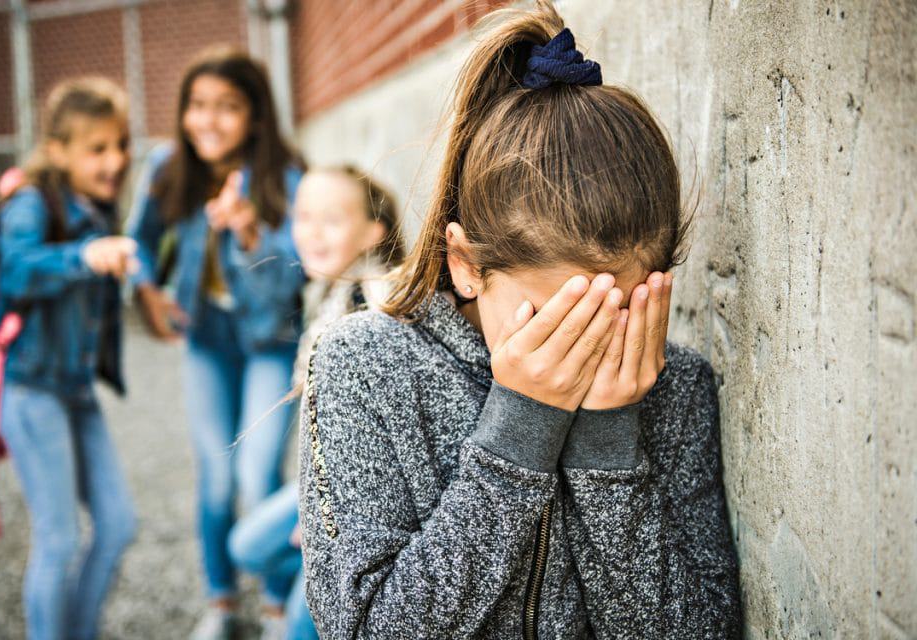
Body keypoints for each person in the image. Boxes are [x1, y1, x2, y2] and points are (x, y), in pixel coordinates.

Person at [298, 3, 742, 638]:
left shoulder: (675, 386)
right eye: (556, 320)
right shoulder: (363, 366)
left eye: (612, 315)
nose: (584, 351)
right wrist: (521, 429)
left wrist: (609, 443)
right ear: (466, 264)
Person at [125, 45, 305, 640]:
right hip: (206, 339)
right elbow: (139, 242)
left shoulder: (287, 178)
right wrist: (146, 290)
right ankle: (222, 601)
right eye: (197, 105)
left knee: (257, 475)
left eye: (227, 107)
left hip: (269, 342)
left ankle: (280, 598)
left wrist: (250, 231)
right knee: (218, 476)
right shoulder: (167, 166)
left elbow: (290, 286)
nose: (208, 120)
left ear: (255, 116)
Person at [228, 166, 404, 640]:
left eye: (332, 219)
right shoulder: (330, 289)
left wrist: (328, 518)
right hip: (324, 481)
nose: (311, 232)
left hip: (359, 497)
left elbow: (383, 429)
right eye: (302, 217)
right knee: (247, 546)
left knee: (303, 623)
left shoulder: (375, 302)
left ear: (373, 233)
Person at [0, 77, 138, 640]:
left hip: (75, 392)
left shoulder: (98, 208)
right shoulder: (32, 202)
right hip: (31, 391)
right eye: (97, 148)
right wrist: (84, 255)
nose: (115, 159)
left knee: (119, 524)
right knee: (57, 538)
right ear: (57, 150)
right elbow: (16, 270)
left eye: (120, 145)